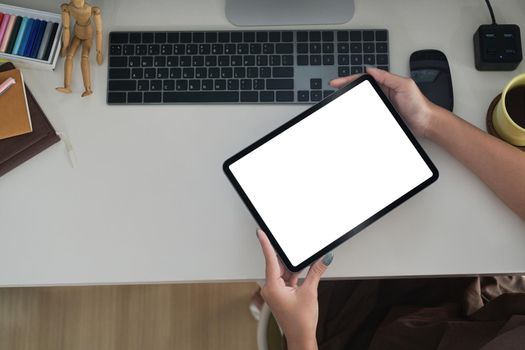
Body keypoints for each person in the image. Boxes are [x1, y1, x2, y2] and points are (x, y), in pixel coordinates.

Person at [256, 67, 525, 350]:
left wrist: (301, 337)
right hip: (467, 307)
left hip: (356, 334)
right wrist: (429, 118)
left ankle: (259, 302)